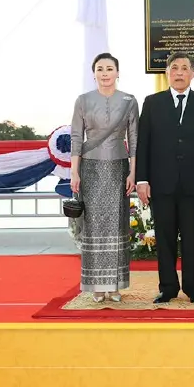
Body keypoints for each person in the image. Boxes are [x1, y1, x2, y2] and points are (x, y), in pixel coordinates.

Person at [135, 52, 194, 304]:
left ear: (192, 74)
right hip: (161, 184)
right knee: (165, 238)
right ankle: (168, 287)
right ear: (167, 73)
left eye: (185, 68)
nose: (180, 72)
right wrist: (142, 179)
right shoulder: (152, 103)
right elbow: (144, 144)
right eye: (175, 68)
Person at [70, 52, 138, 303]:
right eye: (100, 69)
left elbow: (134, 139)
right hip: (90, 169)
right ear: (94, 73)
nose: (105, 73)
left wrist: (133, 171)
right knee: (95, 226)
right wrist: (74, 171)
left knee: (116, 225)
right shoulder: (83, 101)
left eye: (110, 68)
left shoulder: (130, 101)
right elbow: (77, 138)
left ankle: (116, 285)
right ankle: (97, 286)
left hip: (119, 168)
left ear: (118, 72)